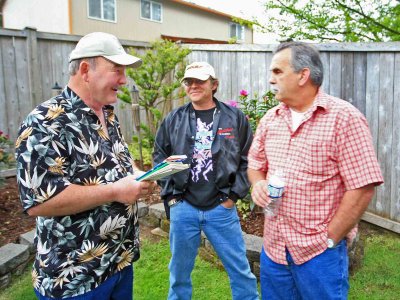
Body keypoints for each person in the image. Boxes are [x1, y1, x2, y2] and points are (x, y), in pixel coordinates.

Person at [15, 32, 154, 300]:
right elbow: (38, 202)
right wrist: (116, 191)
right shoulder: (43, 123)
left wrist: (138, 175)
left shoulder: (108, 115)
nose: (124, 80)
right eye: (117, 70)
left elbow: (118, 162)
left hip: (118, 263)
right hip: (75, 280)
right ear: (86, 70)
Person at [247, 41, 384, 300]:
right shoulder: (270, 119)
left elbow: (363, 186)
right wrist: (257, 184)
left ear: (303, 75)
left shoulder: (344, 118)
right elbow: (255, 164)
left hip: (318, 254)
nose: (270, 79)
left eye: (278, 72)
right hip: (274, 248)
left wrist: (330, 239)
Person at [153, 62, 259, 300]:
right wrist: (171, 196)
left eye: (199, 81)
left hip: (221, 209)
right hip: (183, 208)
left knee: (240, 271)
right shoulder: (174, 119)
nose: (193, 86)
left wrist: (233, 197)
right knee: (179, 273)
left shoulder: (234, 118)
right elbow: (159, 156)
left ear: (214, 84)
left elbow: (248, 158)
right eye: (188, 81)